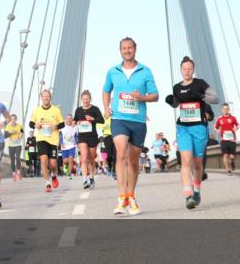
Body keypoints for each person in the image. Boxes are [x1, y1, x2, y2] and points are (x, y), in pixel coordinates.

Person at [102, 37, 159, 215]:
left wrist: (142, 98)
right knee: (121, 154)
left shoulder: (145, 71)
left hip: (138, 121)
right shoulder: (113, 71)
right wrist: (106, 108)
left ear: (135, 49)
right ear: (120, 51)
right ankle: (121, 198)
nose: (127, 51)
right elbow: (106, 90)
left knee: (133, 161)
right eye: (124, 48)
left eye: (130, 48)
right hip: (119, 119)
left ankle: (131, 196)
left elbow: (155, 95)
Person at [165, 56, 218, 209]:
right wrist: (170, 101)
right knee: (186, 160)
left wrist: (202, 96)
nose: (187, 71)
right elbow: (176, 104)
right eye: (184, 69)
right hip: (183, 127)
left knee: (197, 163)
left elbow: (215, 98)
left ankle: (197, 190)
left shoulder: (200, 83)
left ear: (193, 70)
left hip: (199, 128)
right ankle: (188, 195)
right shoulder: (177, 87)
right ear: (181, 70)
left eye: (189, 68)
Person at [29, 89, 65, 193]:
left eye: (47, 96)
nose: (46, 98)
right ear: (41, 98)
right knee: (44, 160)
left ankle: (54, 175)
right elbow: (30, 124)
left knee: (53, 164)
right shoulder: (36, 110)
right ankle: (47, 183)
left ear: (50, 98)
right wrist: (35, 125)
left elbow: (62, 124)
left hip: (53, 140)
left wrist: (55, 127)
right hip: (41, 139)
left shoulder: (56, 110)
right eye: (44, 96)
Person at [74, 90, 104, 189]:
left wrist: (92, 119)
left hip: (92, 136)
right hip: (82, 136)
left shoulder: (95, 109)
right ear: (81, 99)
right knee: (83, 158)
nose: (85, 101)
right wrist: (74, 122)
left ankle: (91, 177)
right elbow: (75, 119)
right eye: (84, 99)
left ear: (90, 99)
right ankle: (84, 180)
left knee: (91, 159)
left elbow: (102, 120)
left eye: (87, 99)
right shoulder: (78, 110)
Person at [214, 103, 240, 173]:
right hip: (224, 140)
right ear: (222, 110)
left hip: (232, 140)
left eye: (227, 109)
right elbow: (215, 127)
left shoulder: (233, 118)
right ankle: (228, 169)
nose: (225, 110)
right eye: (224, 109)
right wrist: (218, 130)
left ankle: (232, 162)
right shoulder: (219, 119)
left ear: (229, 110)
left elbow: (238, 125)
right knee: (225, 155)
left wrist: (236, 129)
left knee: (232, 156)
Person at [4, 114, 25, 181]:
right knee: (12, 160)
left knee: (18, 157)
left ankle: (18, 173)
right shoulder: (8, 126)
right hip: (11, 145)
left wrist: (21, 136)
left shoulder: (20, 126)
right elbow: (5, 135)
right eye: (11, 119)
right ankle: (14, 174)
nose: (13, 121)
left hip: (18, 144)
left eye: (14, 119)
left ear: (16, 119)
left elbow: (22, 132)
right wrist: (11, 132)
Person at [60, 115, 78, 180]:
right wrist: (61, 143)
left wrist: (77, 142)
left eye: (70, 118)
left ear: (72, 119)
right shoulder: (62, 127)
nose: (68, 120)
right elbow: (60, 135)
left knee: (70, 160)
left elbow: (76, 136)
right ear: (65, 119)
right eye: (67, 118)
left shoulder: (75, 127)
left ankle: (69, 174)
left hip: (72, 146)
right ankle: (65, 166)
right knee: (65, 161)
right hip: (64, 146)